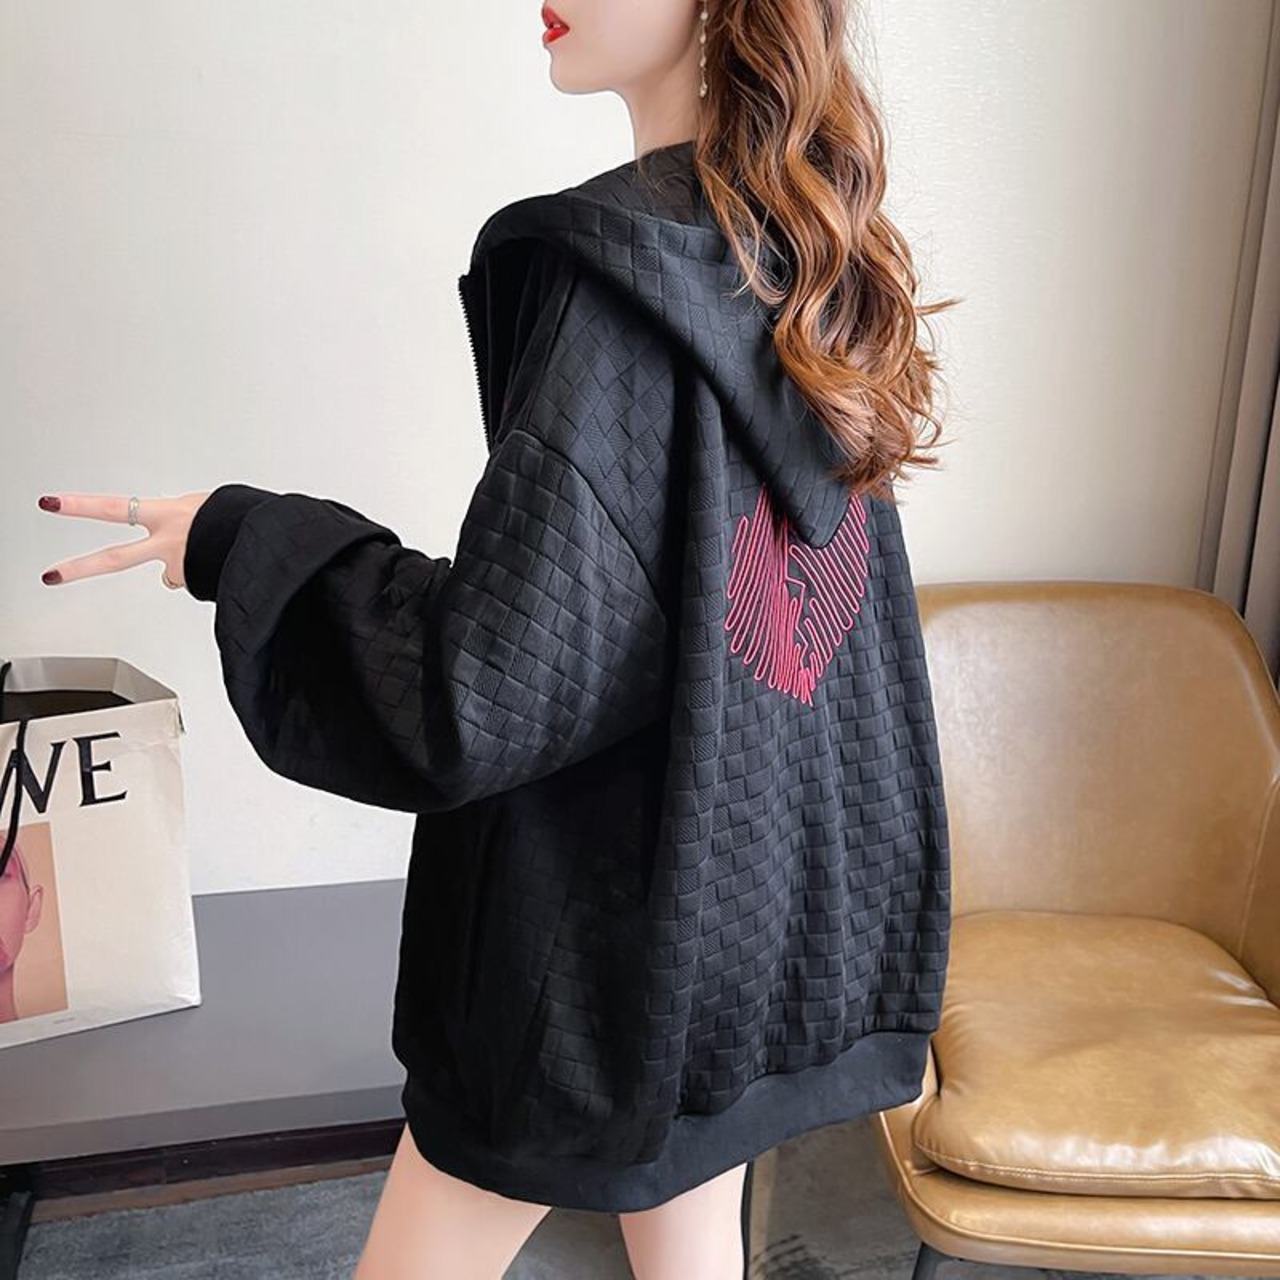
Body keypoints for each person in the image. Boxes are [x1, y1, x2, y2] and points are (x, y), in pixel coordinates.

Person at [33, 0, 958, 1275]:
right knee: (689, 1234)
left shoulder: (616, 281)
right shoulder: (807, 250)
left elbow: (482, 681)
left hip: (596, 948)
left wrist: (238, 539)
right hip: (752, 905)